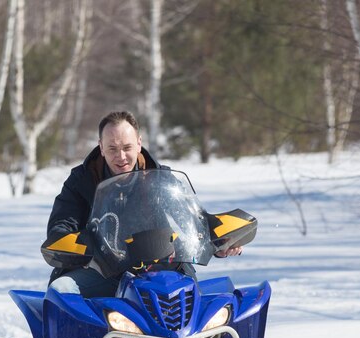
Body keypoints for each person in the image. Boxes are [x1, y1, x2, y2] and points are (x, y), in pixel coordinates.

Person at [42, 110, 241, 297]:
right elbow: (60, 229)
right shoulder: (81, 180)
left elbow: (195, 221)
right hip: (102, 271)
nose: (121, 157)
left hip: (161, 268)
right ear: (101, 147)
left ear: (139, 143)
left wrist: (220, 243)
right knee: (61, 290)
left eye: (127, 147)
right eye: (112, 148)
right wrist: (85, 247)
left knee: (201, 310)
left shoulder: (162, 178)